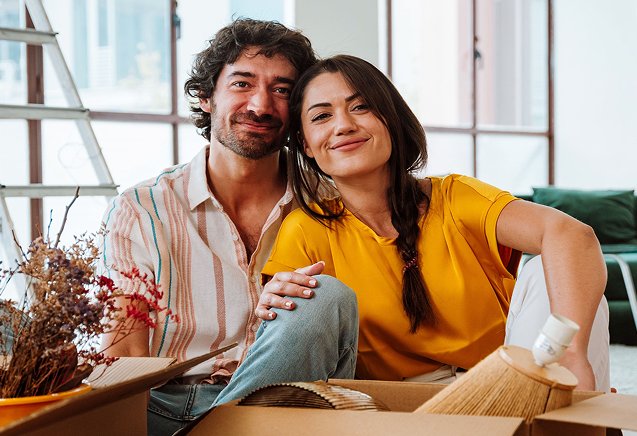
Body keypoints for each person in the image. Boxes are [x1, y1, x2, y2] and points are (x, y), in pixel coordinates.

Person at [212, 54, 610, 402]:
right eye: (322, 116)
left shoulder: (454, 198)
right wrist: (276, 310)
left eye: (362, 107)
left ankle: (563, 404)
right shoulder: (306, 229)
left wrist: (572, 352)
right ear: (305, 143)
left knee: (553, 271)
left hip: (506, 383)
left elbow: (571, 235)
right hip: (395, 405)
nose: (344, 125)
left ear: (391, 119)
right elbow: (299, 338)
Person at [99, 18, 327, 436]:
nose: (261, 105)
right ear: (206, 96)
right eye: (242, 83)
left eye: (282, 90)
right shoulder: (142, 209)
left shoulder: (327, 202)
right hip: (163, 406)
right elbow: (124, 347)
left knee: (326, 298)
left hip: (277, 407)